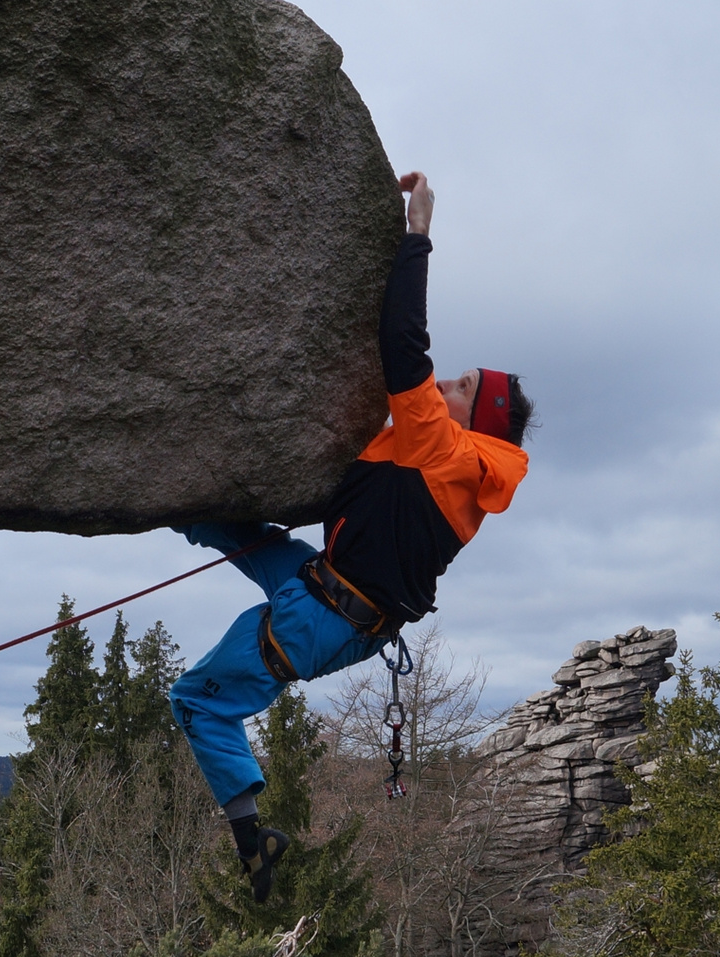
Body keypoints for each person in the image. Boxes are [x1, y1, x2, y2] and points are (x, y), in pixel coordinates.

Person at [168, 172, 534, 903]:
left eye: (461, 386)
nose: (445, 387)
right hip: (326, 585)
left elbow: (402, 345)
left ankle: (250, 835)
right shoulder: (443, 465)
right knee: (216, 523)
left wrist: (417, 231)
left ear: (476, 420)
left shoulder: (447, 453)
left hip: (322, 618)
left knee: (199, 700)